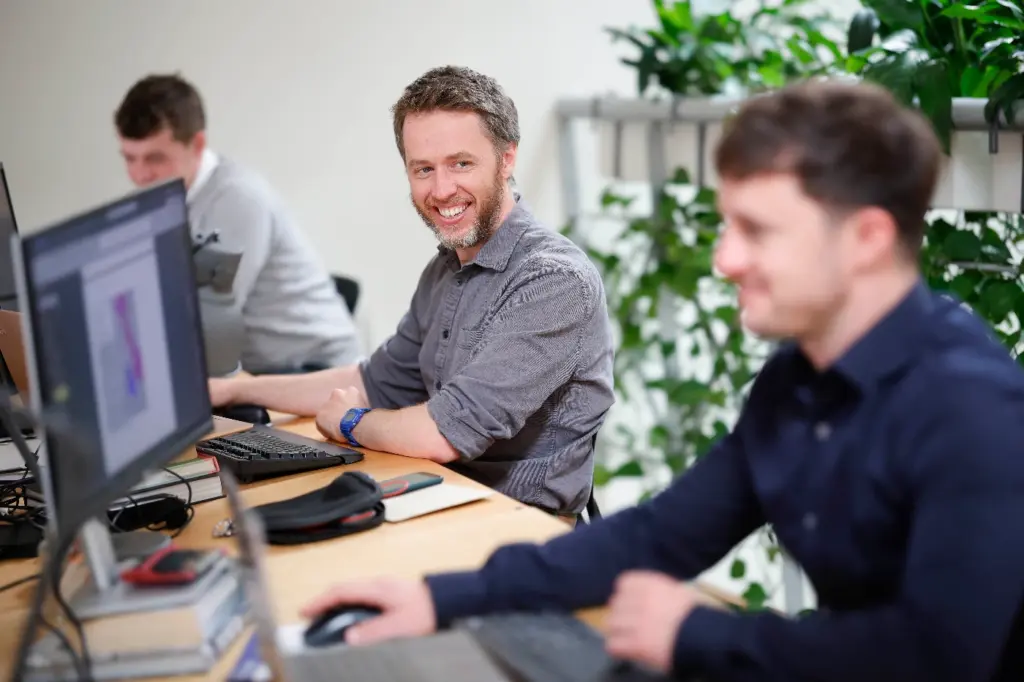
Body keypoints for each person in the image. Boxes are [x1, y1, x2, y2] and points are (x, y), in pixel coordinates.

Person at [296, 80, 1024, 682]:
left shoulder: (970, 408)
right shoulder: (796, 383)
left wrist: (697, 635)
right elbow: (655, 535)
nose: (725, 260)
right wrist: (440, 597)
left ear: (865, 239)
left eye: (757, 231)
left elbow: (940, 657)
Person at [209, 66, 615, 518]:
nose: (441, 190)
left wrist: (348, 422)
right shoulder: (445, 269)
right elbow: (369, 382)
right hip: (449, 500)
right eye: (424, 169)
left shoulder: (553, 282)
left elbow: (441, 433)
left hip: (522, 530)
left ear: (507, 159)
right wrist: (236, 390)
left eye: (461, 163)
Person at [115, 73, 362, 374]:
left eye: (155, 158)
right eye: (129, 158)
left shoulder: (236, 199)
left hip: (315, 372)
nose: (139, 176)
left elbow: (206, 327)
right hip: (262, 371)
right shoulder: (162, 201)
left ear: (197, 144)